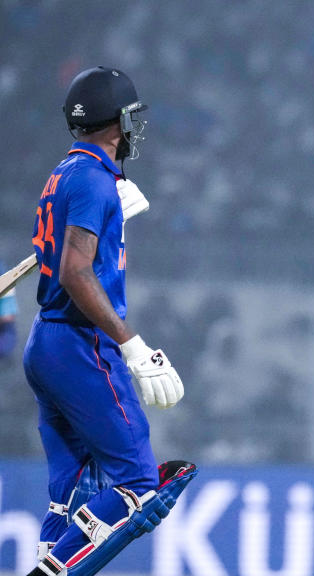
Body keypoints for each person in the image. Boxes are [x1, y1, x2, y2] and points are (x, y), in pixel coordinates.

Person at [22, 66, 193, 576]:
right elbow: (76, 271)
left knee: (71, 492)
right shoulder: (94, 182)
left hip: (45, 341)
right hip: (80, 345)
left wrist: (110, 208)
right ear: (117, 122)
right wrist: (134, 347)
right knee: (139, 484)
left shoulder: (68, 173)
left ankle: (48, 560)